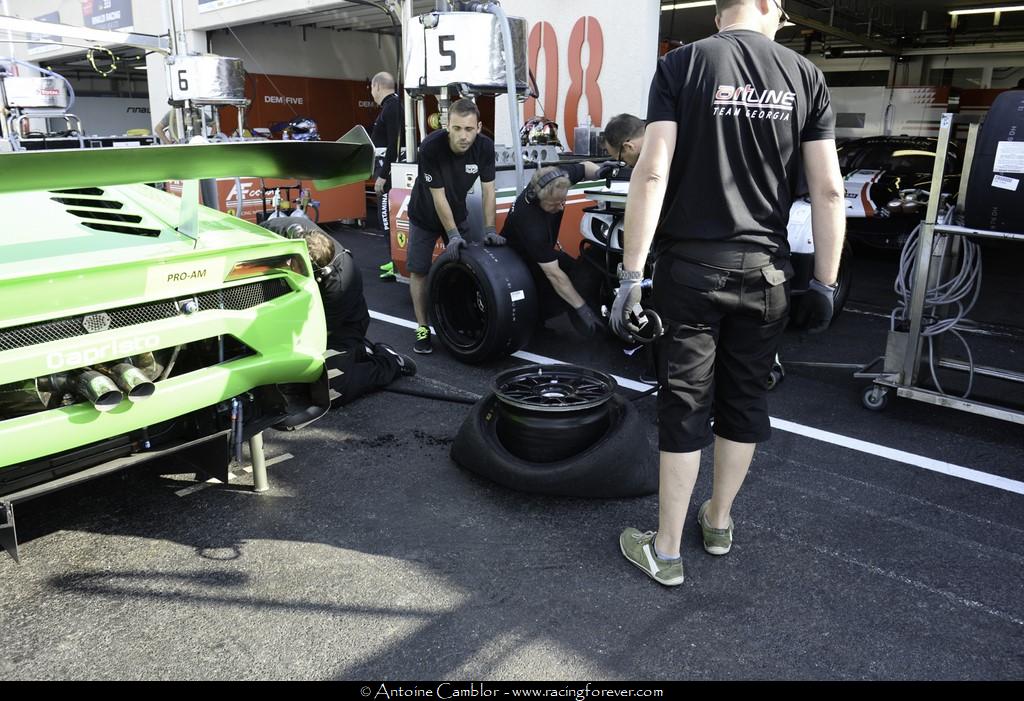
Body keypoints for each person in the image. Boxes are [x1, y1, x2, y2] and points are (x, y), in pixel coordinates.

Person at [611, 0, 846, 586]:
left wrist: (631, 277)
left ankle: (665, 549)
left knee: (685, 404)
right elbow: (829, 191)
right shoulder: (805, 75)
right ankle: (717, 521)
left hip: (689, 271)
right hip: (767, 273)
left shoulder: (683, 64)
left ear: (719, 14)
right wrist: (826, 282)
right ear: (767, 6)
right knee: (745, 400)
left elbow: (652, 171)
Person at [276, 219, 417, 405]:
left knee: (331, 391)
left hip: (343, 327)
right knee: (287, 383)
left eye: (296, 270)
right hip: (301, 311)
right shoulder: (281, 229)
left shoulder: (340, 285)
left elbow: (319, 334)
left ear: (319, 272)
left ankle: (388, 361)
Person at [405, 98, 501, 354]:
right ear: (448, 126)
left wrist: (490, 230)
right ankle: (422, 327)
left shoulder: (484, 147)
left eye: (469, 129)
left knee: (465, 267)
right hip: (424, 214)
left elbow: (489, 190)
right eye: (457, 128)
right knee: (420, 270)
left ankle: (462, 317)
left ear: (479, 127)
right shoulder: (431, 148)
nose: (463, 136)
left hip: (457, 211)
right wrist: (452, 235)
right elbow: (438, 197)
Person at [500, 163, 606, 337]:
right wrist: (583, 309)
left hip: (544, 251)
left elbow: (584, 167)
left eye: (562, 201)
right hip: (517, 260)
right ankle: (540, 326)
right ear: (536, 198)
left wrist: (604, 172)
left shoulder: (556, 179)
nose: (560, 208)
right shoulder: (529, 222)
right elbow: (555, 275)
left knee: (579, 273)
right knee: (554, 289)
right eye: (553, 205)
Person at [370, 71, 404, 281]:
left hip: (389, 175)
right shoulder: (391, 107)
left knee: (387, 218)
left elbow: (395, 145)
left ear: (378, 86)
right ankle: (394, 259)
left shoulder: (392, 108)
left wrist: (383, 175)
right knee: (387, 220)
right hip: (387, 170)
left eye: (372, 89)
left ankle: (396, 262)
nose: (372, 93)